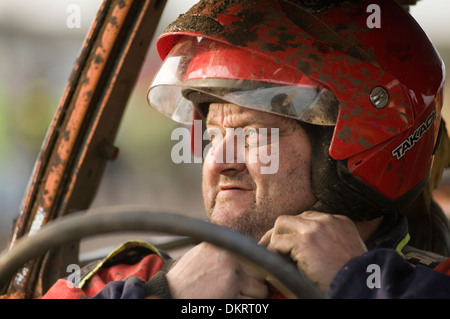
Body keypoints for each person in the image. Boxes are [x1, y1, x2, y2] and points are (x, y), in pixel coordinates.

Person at [43, 0, 450, 299]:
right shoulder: (131, 279)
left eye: (253, 134)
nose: (217, 162)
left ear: (357, 151)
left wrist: (357, 284)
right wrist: (164, 294)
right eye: (213, 136)